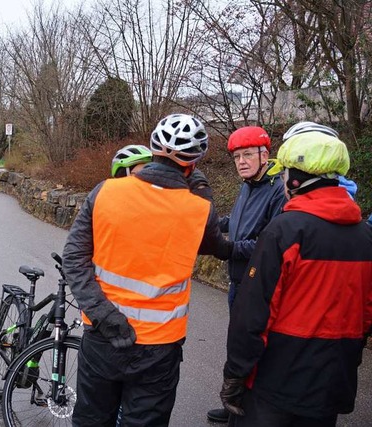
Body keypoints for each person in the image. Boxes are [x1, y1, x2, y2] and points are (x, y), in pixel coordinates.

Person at [63, 113, 234, 426]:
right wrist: (201, 187)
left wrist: (103, 314)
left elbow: (74, 258)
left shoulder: (105, 192)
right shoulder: (197, 210)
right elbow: (216, 246)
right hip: (159, 348)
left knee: (91, 421)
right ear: (193, 163)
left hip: (104, 336)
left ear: (152, 151)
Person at [219, 130, 372, 427]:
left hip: (276, 380)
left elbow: (253, 315)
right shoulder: (366, 236)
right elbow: (365, 313)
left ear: (296, 179)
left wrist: (235, 373)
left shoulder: (284, 231)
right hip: (331, 378)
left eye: (286, 173)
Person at [207, 126, 286, 423]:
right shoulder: (247, 186)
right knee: (236, 344)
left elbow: (268, 243)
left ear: (265, 155)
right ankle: (233, 401)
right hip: (237, 280)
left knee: (251, 347)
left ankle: (244, 409)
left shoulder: (277, 190)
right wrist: (214, 225)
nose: (241, 161)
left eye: (247, 154)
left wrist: (227, 249)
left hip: (256, 283)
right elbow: (237, 221)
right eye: (237, 156)